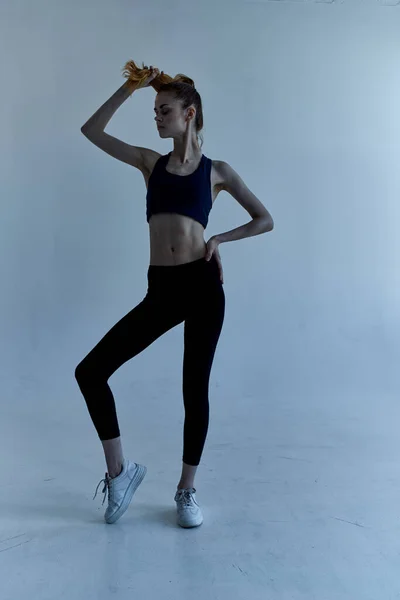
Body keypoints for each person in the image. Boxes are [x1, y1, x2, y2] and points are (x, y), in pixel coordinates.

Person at [75, 62, 274, 529]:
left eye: (164, 109)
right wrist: (130, 87)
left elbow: (264, 218)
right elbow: (92, 130)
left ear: (190, 113)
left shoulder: (216, 172)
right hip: (161, 289)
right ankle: (120, 474)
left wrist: (220, 239)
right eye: (155, 111)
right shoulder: (150, 163)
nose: (157, 116)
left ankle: (187, 490)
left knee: (194, 388)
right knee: (91, 371)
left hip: (202, 287)